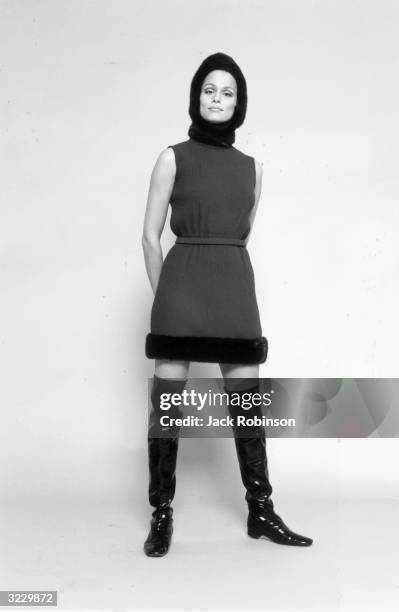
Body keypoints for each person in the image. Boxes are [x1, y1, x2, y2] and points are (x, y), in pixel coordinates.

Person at [141, 52, 313, 557]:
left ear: (239, 104)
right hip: (180, 293)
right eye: (209, 89)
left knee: (247, 406)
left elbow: (240, 236)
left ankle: (261, 512)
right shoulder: (172, 157)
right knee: (166, 410)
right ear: (196, 96)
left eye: (228, 92)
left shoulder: (254, 168)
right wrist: (167, 297)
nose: (217, 98)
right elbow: (150, 238)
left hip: (235, 292)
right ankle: (161, 515)